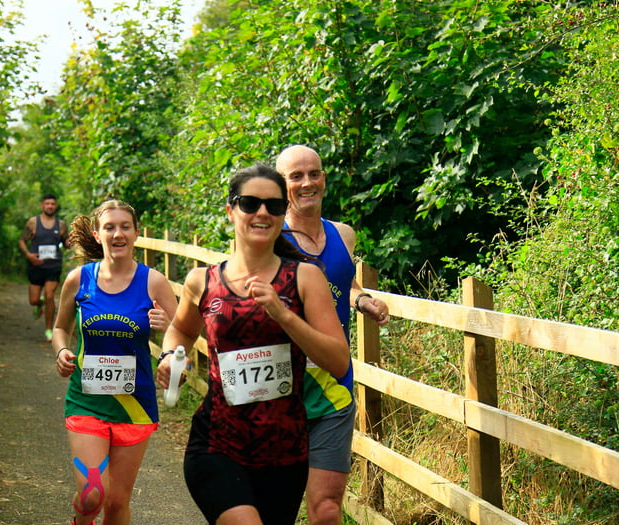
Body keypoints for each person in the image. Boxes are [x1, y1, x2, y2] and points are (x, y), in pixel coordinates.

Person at [156, 163, 350, 525]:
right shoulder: (203, 280)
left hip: (284, 451)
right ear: (231, 210)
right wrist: (170, 355)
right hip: (217, 443)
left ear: (283, 214)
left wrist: (284, 314)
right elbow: (181, 330)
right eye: (250, 203)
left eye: (274, 206)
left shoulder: (305, 278)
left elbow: (339, 362)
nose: (262, 212)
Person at [276, 145, 390, 525]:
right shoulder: (269, 240)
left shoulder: (343, 235)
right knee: (277, 505)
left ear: (324, 178)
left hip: (334, 383)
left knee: (326, 507)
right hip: (281, 387)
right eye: (296, 176)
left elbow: (346, 283)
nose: (307, 183)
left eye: (314, 173)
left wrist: (363, 301)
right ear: (281, 185)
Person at [52, 199, 178, 525]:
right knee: (93, 494)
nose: (117, 233)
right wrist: (62, 351)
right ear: (97, 234)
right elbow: (59, 328)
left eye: (125, 227)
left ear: (136, 233)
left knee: (118, 502)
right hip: (86, 401)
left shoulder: (154, 282)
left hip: (134, 405)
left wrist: (167, 338)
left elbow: (182, 335)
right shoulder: (79, 279)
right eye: (109, 227)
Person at [19, 193, 70, 342]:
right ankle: (38, 304)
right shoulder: (33, 223)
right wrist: (28, 255)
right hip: (36, 265)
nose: (50, 206)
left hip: (53, 266)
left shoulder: (61, 225)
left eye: (52, 204)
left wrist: (70, 242)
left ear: (56, 206)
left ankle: (49, 330)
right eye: (47, 203)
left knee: (50, 295)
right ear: (42, 205)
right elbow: (22, 240)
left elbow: (66, 242)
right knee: (33, 300)